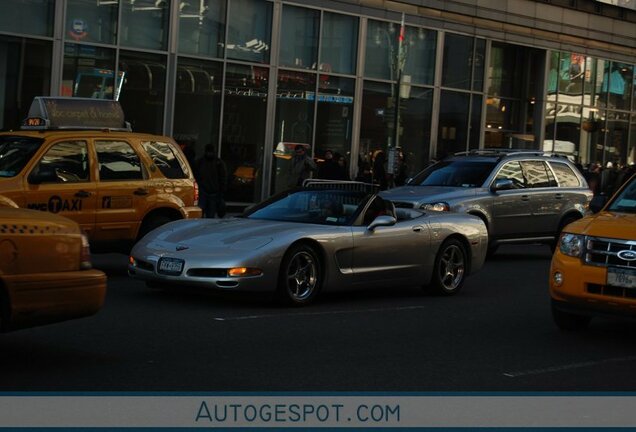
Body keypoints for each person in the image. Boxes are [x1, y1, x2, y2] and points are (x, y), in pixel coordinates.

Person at [194, 144, 227, 218]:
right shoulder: (201, 162)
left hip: (211, 193)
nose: (210, 154)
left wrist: (221, 192)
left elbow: (223, 178)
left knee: (208, 215)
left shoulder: (218, 163)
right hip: (204, 192)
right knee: (204, 214)